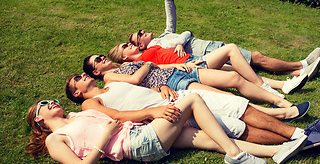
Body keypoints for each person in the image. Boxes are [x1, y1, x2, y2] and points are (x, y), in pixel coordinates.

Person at [26, 99, 310, 164]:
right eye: (44, 105)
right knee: (193, 100)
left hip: (141, 133)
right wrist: (106, 136)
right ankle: (235, 155)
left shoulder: (75, 116)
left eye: (51, 99)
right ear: (38, 119)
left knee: (208, 138)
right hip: (136, 144)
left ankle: (280, 151)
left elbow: (119, 117)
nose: (51, 102)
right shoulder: (54, 140)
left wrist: (148, 114)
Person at [125, 0, 320, 80]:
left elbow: (173, 19)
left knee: (252, 64)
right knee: (256, 57)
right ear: (141, 45)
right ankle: (301, 65)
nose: (143, 32)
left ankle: (299, 74)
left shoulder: (163, 36)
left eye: (140, 30)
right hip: (207, 53)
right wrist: (181, 42)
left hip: (209, 47)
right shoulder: (154, 50)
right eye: (139, 35)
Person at [65, 72, 320, 148]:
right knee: (236, 128)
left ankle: (298, 134)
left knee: (239, 105)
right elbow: (118, 117)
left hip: (179, 96)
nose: (82, 76)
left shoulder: (110, 83)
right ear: (77, 93)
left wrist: (160, 89)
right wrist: (153, 113)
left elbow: (140, 87)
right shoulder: (91, 102)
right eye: (77, 79)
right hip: (175, 114)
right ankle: (301, 139)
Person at [102, 45, 303, 108]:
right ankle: (274, 96)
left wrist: (180, 51)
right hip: (178, 77)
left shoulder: (145, 53)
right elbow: (140, 79)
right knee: (232, 87)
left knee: (236, 76)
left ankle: (280, 90)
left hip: (184, 67)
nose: (130, 44)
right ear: (124, 57)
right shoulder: (117, 74)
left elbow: (160, 64)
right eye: (125, 46)